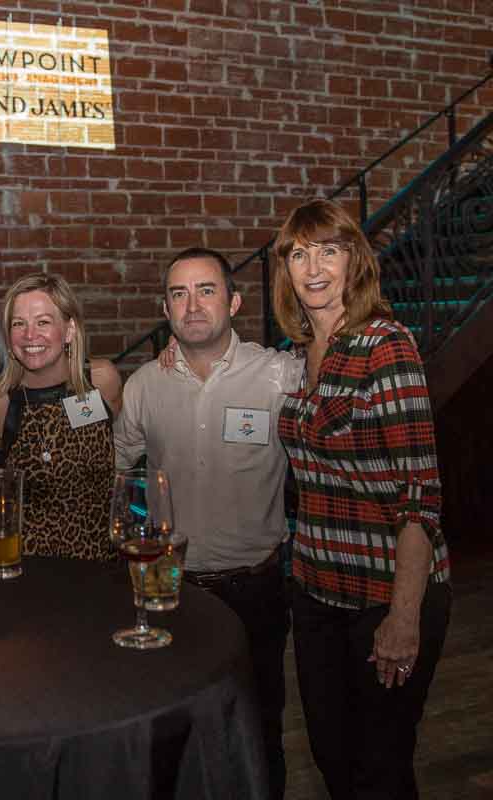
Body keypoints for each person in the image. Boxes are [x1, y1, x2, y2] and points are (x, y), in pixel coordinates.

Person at [273, 199, 451, 799]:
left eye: (329, 250)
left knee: (380, 770)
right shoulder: (295, 356)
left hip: (384, 591)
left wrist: (404, 617)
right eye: (299, 254)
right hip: (315, 590)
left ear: (355, 261)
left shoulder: (386, 345)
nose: (313, 268)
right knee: (332, 757)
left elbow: (418, 496)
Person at [114, 247, 301, 798]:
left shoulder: (279, 375)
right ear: (165, 310)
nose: (192, 305)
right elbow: (116, 471)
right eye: (179, 294)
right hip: (173, 592)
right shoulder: (145, 385)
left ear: (234, 302)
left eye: (206, 290)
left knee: (258, 731)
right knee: (169, 732)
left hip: (255, 592)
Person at [0, 273, 122, 561]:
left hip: (101, 569)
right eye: (18, 323)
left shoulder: (101, 381)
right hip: (27, 571)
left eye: (43, 322)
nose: (30, 335)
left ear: (69, 330)